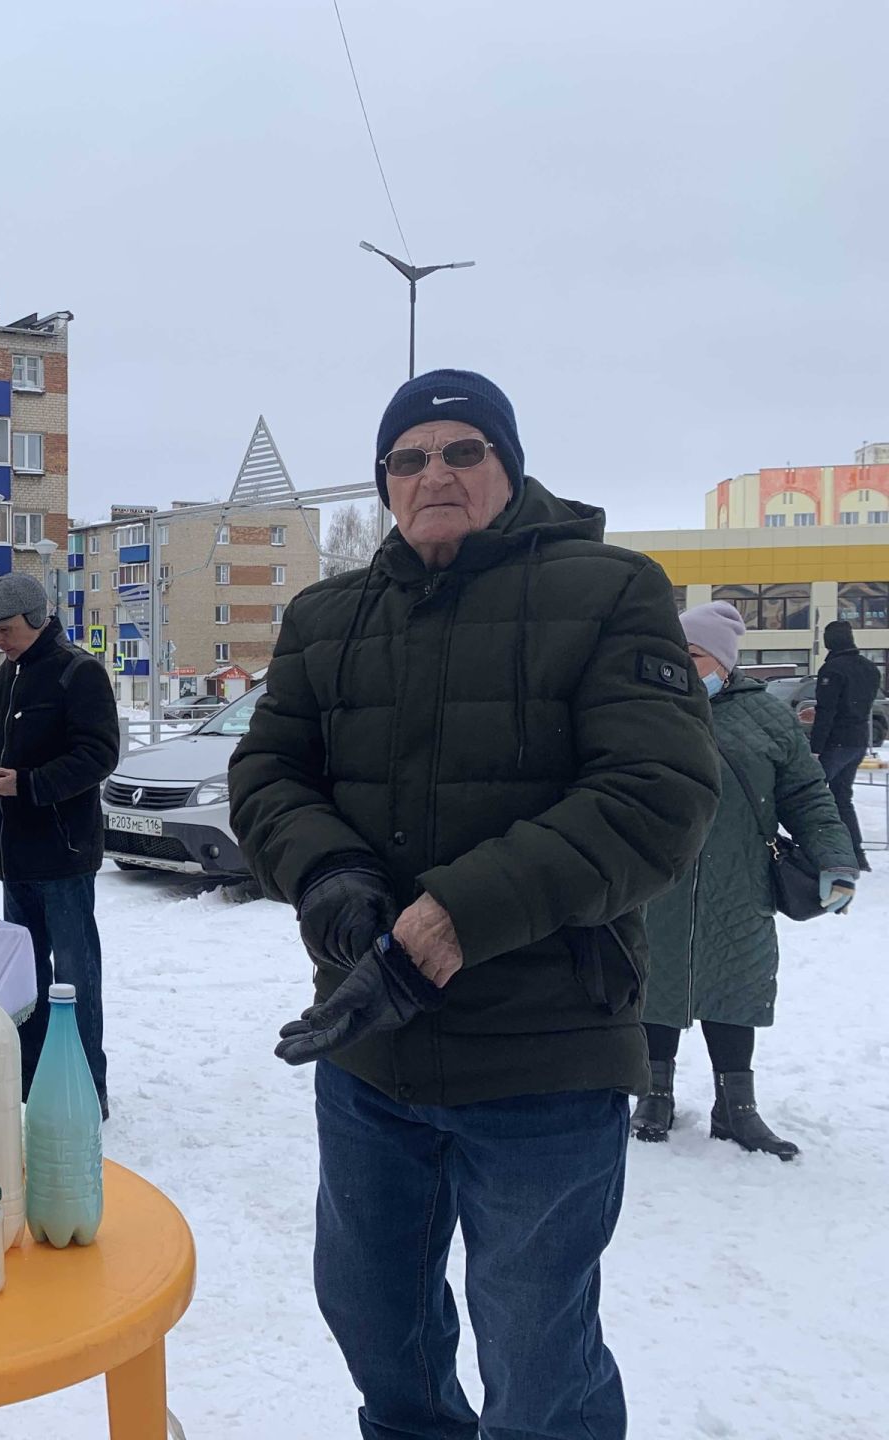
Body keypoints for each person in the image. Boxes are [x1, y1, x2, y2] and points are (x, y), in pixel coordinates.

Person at [229, 369, 719, 1440]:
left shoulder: (610, 588)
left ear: (508, 464)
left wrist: (450, 921)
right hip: (370, 1051)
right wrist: (332, 883)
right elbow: (266, 776)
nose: (434, 473)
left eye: (462, 450)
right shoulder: (326, 617)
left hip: (541, 1054)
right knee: (374, 1321)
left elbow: (655, 799)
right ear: (385, 485)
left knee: (538, 1356)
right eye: (408, 458)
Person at [635, 602, 858, 1158]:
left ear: (724, 662)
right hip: (657, 878)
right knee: (655, 982)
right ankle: (652, 1094)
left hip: (740, 882)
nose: (681, 665)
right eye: (675, 653)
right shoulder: (642, 707)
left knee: (735, 985)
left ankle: (736, 1108)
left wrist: (835, 858)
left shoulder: (766, 718)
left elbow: (806, 793)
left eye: (692, 654)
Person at [0, 572, 119, 1115]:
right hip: (14, 856)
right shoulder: (6, 674)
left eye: (6, 629)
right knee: (27, 983)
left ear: (38, 620)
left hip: (63, 855)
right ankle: (33, 1081)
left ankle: (86, 1091)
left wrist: (30, 785)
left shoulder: (78, 672)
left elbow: (99, 755)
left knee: (75, 979)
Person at [809, 618, 881, 873]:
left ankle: (813, 851)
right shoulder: (870, 669)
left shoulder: (833, 670)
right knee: (842, 797)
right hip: (858, 741)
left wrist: (814, 749)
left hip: (834, 744)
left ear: (831, 641)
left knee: (808, 795)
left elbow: (826, 711)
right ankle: (856, 853)